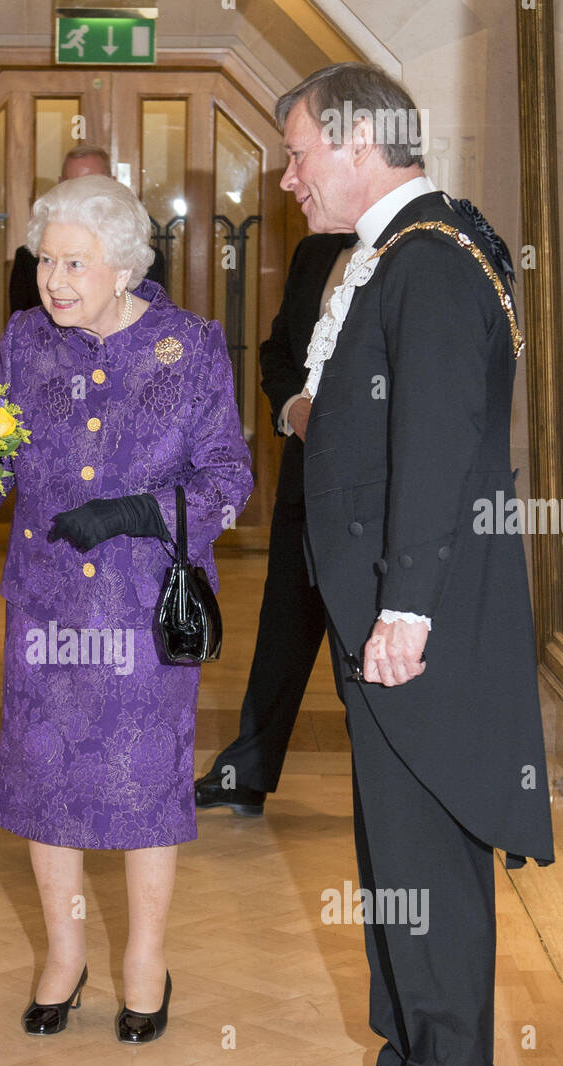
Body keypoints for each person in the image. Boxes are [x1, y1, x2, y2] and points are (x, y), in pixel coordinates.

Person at [273, 63, 553, 1066]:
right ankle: (407, 1060)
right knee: (392, 845)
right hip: (391, 601)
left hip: (414, 611)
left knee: (426, 853)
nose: (289, 177)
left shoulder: (429, 263)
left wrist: (405, 608)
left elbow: (437, 445)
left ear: (355, 141)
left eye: (299, 153)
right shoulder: (407, 249)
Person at [0, 174, 252, 1044]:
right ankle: (63, 955)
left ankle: (144, 962)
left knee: (143, 789)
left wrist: (136, 515)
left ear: (123, 268)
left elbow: (229, 480)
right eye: (45, 260)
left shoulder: (190, 348)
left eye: (74, 264)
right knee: (46, 783)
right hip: (47, 606)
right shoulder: (24, 340)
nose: (53, 280)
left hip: (143, 610)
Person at [194, 230, 355, 816]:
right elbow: (275, 352)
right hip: (304, 476)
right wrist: (293, 408)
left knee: (364, 651)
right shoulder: (313, 253)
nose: (296, 183)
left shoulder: (411, 245)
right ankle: (246, 771)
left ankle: (401, 791)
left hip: (372, 498)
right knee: (283, 628)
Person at [8, 145, 166, 313]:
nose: (84, 193)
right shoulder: (29, 259)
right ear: (60, 183)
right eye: (73, 183)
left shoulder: (142, 260)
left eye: (94, 183)